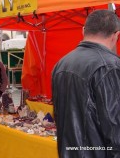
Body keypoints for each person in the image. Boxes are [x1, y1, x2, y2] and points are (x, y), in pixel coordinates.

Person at [52, 9, 120, 158]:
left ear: (83, 31)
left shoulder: (61, 64)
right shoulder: (109, 66)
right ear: (116, 35)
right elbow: (115, 128)